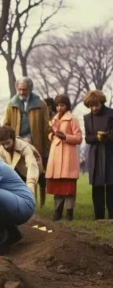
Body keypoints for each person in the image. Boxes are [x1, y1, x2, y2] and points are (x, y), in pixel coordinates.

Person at [3, 77, 50, 208]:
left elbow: (46, 127)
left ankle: (35, 204)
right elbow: (6, 124)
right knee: (18, 174)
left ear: (30, 89)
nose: (22, 92)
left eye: (24, 89)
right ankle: (20, 203)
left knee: (35, 173)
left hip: (35, 143)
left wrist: (47, 148)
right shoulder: (11, 104)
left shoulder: (41, 104)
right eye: (20, 89)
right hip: (17, 144)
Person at [46, 94, 82, 221]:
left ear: (67, 106)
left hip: (68, 156)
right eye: (57, 105)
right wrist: (52, 136)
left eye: (62, 105)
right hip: (56, 155)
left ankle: (69, 213)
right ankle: (57, 212)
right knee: (57, 186)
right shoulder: (54, 119)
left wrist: (65, 137)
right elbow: (51, 134)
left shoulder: (73, 119)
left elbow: (79, 138)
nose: (59, 108)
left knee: (69, 187)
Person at [83, 90, 113, 220]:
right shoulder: (87, 118)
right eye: (91, 106)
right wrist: (96, 137)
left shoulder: (111, 114)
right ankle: (99, 217)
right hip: (95, 154)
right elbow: (88, 138)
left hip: (110, 152)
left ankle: (112, 216)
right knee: (97, 186)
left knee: (111, 185)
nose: (94, 108)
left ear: (101, 102)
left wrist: (107, 136)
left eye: (96, 105)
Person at [0, 126, 43, 195]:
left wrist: (30, 183)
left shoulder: (24, 146)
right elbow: (3, 167)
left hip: (32, 169)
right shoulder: (2, 149)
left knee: (31, 192)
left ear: (13, 139)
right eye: (3, 144)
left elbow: (31, 163)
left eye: (8, 143)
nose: (6, 146)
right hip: (16, 170)